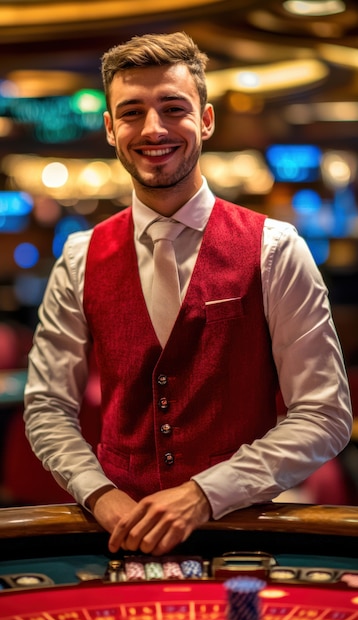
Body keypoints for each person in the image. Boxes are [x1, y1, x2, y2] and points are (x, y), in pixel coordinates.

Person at [24, 31, 352, 557]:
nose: (152, 128)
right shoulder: (80, 256)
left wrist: (204, 494)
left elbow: (324, 415)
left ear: (206, 120)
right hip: (121, 535)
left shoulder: (275, 248)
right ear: (110, 129)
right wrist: (100, 494)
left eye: (172, 108)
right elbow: (47, 407)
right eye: (131, 112)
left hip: (247, 533)